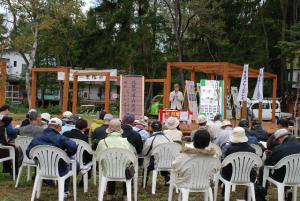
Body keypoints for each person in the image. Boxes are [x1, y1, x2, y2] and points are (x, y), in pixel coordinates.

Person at [26, 117, 78, 198]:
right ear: (58, 127)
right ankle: (65, 191)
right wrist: (66, 155)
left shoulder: (37, 137)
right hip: (60, 170)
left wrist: (38, 159)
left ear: (48, 126)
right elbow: (73, 147)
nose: (61, 130)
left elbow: (28, 152)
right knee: (74, 163)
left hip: (42, 169)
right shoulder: (61, 138)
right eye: (60, 128)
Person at [95, 119, 135, 201]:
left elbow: (98, 158)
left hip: (108, 171)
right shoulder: (126, 142)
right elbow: (131, 159)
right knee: (126, 167)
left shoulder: (102, 142)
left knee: (109, 165)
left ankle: (109, 195)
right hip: (124, 172)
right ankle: (126, 196)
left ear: (109, 129)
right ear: (120, 129)